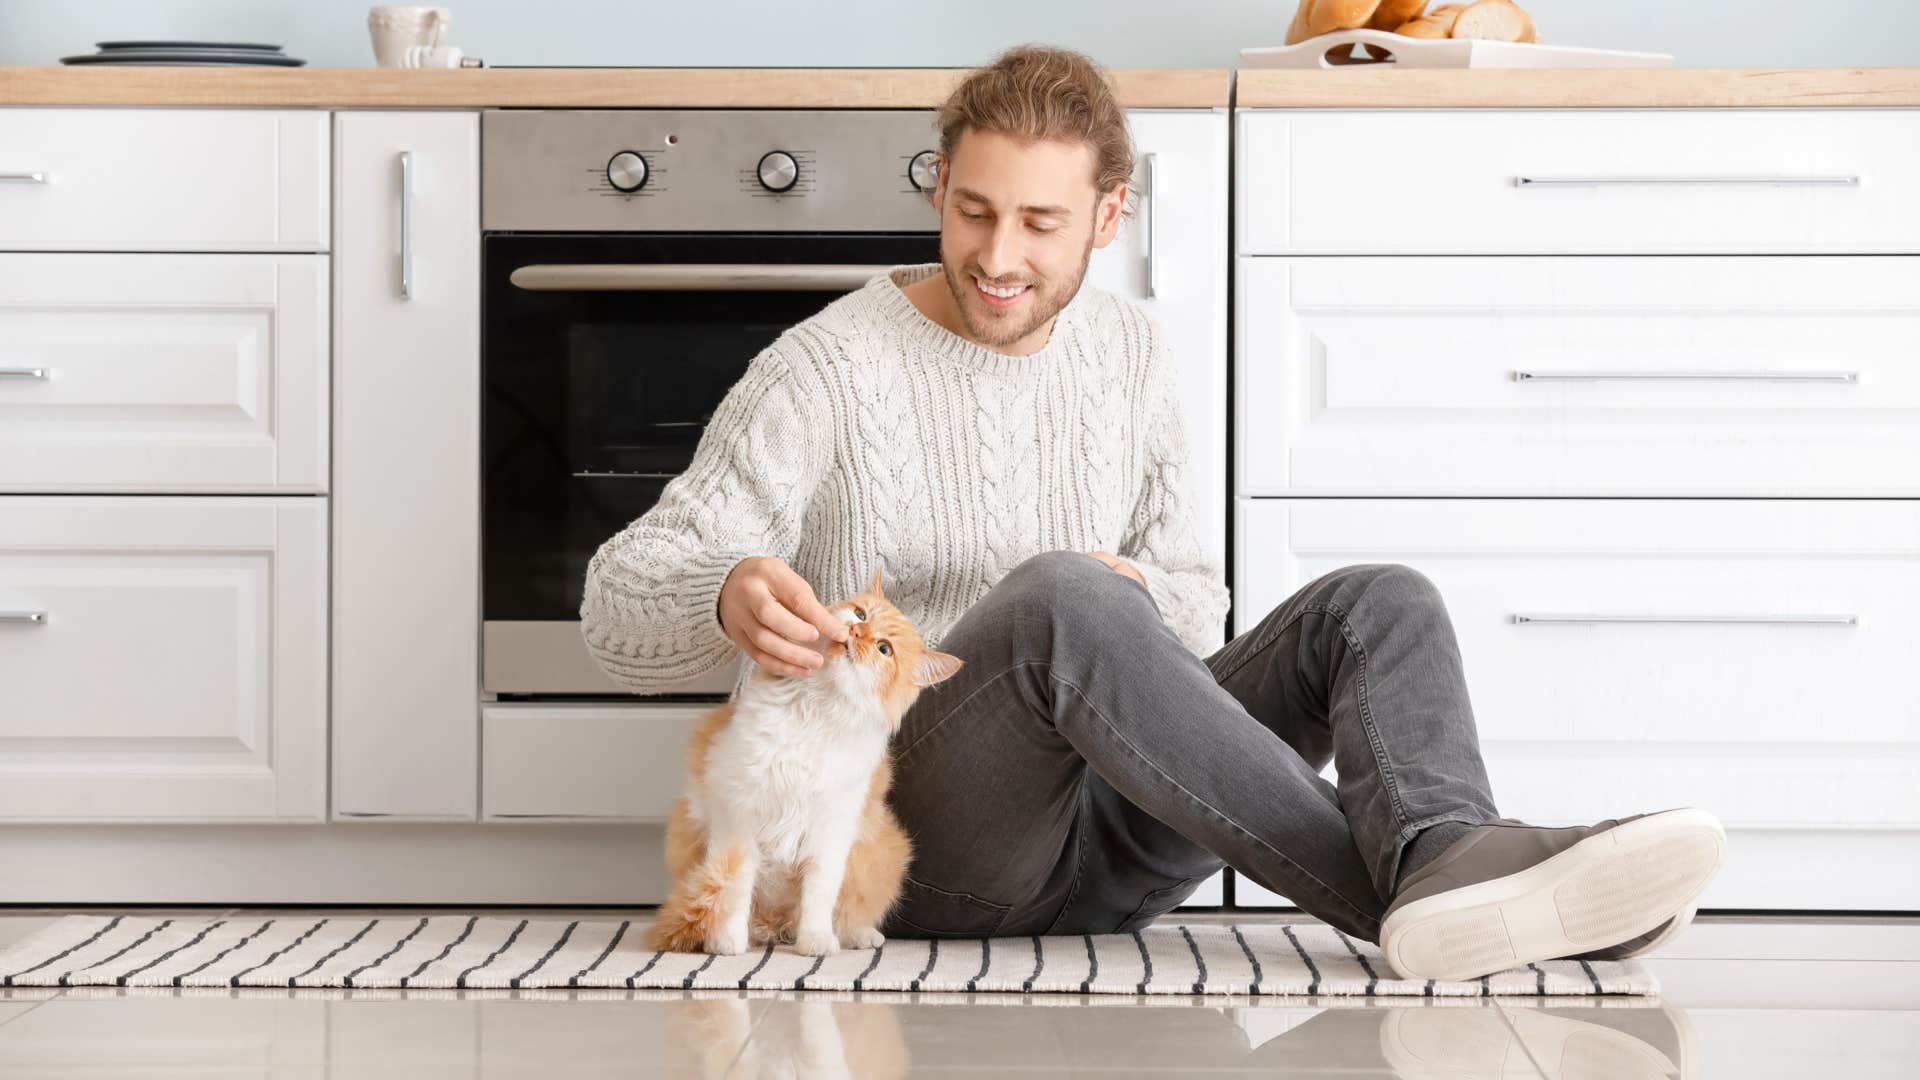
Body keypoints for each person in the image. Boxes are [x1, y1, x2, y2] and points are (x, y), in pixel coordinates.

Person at [580, 44, 1724, 981]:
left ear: (1109, 214)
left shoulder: (1130, 353)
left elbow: (1193, 598)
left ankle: (1447, 856)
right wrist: (725, 594)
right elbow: (616, 603)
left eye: (1039, 223)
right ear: (939, 188)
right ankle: (1439, 902)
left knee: (1380, 603)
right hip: (928, 853)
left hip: (1117, 842)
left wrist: (1143, 603)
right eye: (973, 212)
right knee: (1061, 597)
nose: (996, 257)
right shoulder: (824, 368)